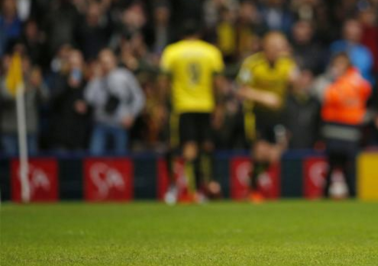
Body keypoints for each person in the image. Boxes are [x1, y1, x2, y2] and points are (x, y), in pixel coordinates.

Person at [160, 23, 225, 203]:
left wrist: (162, 105)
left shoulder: (172, 51)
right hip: (206, 105)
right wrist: (220, 107)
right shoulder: (211, 51)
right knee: (206, 147)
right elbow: (218, 82)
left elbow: (164, 81)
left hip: (183, 106)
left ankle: (190, 190)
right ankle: (205, 186)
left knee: (187, 148)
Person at [236, 31, 298, 202]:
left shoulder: (288, 64)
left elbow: (296, 87)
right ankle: (253, 191)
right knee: (261, 151)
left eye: (282, 47)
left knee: (274, 156)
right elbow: (241, 90)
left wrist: (296, 82)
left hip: (277, 116)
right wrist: (264, 96)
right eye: (276, 47)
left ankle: (252, 182)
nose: (279, 50)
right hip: (256, 114)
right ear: (266, 47)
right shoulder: (252, 64)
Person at [318, 52, 371, 198]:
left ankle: (353, 195)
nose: (338, 67)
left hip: (350, 131)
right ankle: (326, 196)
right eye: (336, 64)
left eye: (341, 64)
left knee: (349, 167)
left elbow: (332, 96)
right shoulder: (335, 81)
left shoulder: (353, 82)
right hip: (333, 130)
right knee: (331, 165)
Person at [84, 48, 144, 155]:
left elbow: (139, 97)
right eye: (102, 62)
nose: (105, 65)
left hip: (119, 124)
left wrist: (132, 115)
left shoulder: (125, 76)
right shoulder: (97, 79)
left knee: (120, 160)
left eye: (107, 62)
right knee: (94, 157)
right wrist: (96, 79)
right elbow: (89, 98)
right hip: (100, 124)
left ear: (114, 61)